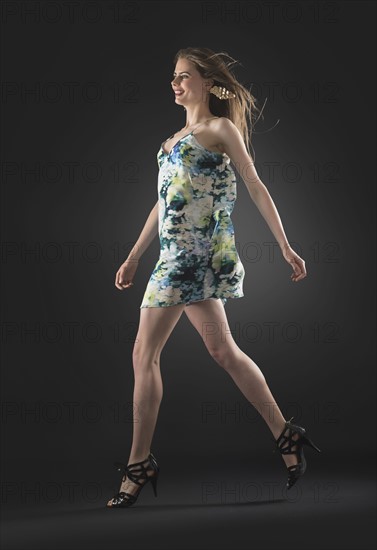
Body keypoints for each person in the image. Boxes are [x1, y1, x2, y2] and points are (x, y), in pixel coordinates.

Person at [107, 47, 321, 508]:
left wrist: (284, 245)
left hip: (195, 257)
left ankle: (138, 463)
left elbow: (255, 183)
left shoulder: (219, 129)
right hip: (175, 257)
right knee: (224, 351)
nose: (175, 83)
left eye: (185, 76)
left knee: (144, 353)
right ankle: (287, 435)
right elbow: (165, 203)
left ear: (208, 84)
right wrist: (132, 256)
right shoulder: (170, 142)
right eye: (173, 77)